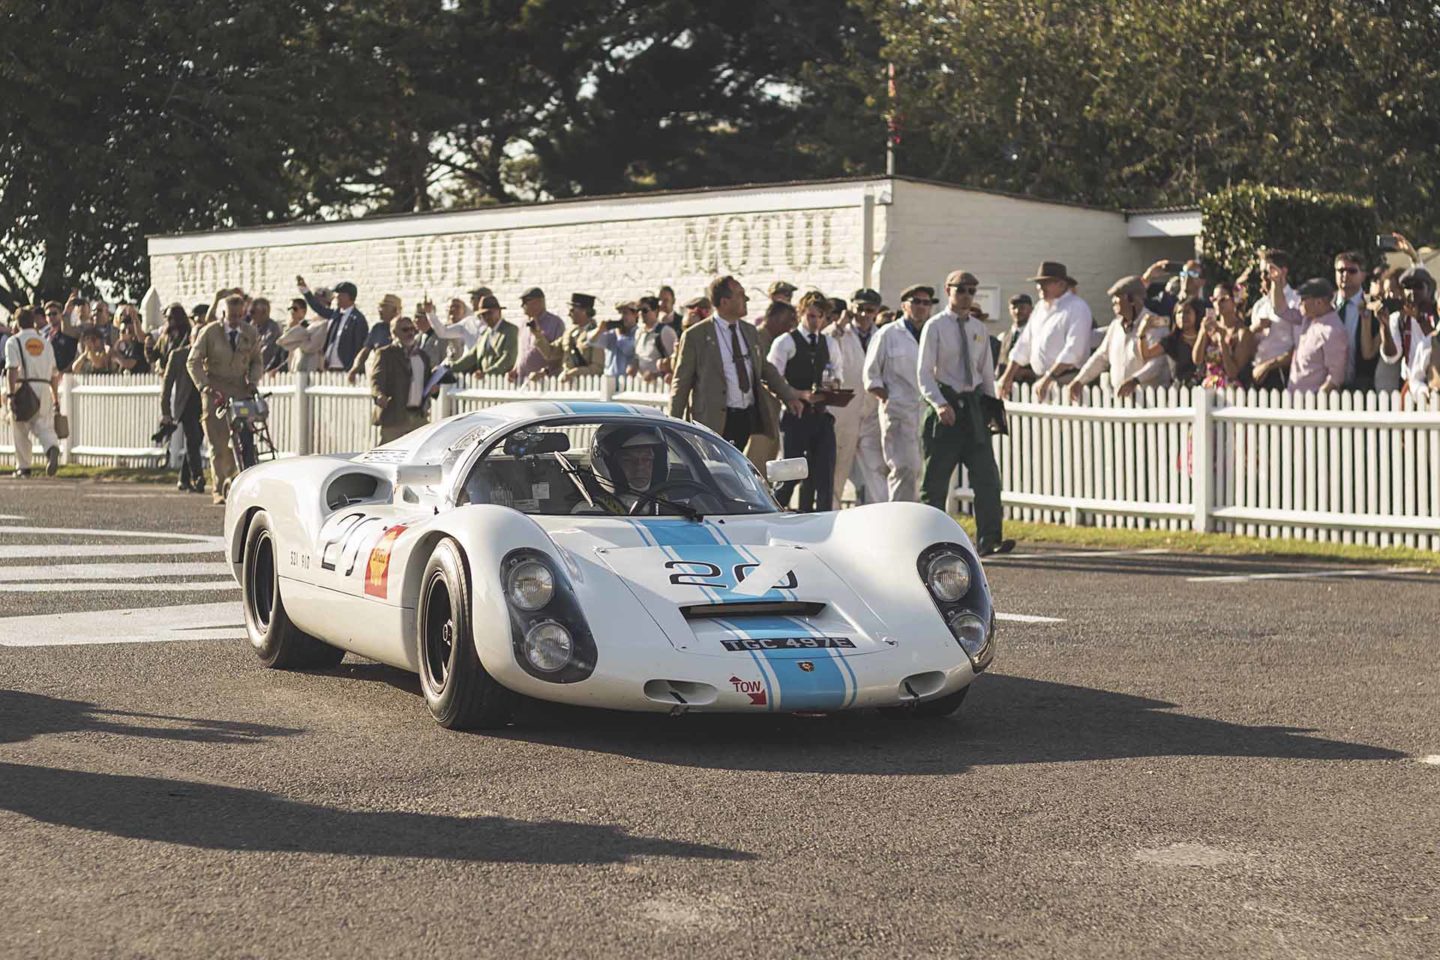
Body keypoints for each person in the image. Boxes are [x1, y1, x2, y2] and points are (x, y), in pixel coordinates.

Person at [917, 271, 1011, 554]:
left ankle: (989, 539)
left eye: (972, 291)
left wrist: (992, 409)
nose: (967, 296)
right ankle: (928, 542)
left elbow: (985, 374)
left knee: (987, 478)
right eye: (961, 290)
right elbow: (923, 374)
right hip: (945, 405)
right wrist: (939, 403)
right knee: (935, 482)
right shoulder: (935, 326)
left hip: (973, 409)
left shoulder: (978, 329)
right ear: (948, 290)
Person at [668, 275, 802, 450]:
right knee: (714, 472)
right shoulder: (696, 336)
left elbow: (765, 368)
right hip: (712, 421)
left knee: (734, 473)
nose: (746, 299)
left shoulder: (749, 331)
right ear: (724, 302)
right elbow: (681, 382)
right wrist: (673, 425)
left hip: (745, 418)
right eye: (740, 295)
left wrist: (788, 395)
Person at [767, 294, 842, 512]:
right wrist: (796, 395)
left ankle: (823, 520)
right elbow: (772, 378)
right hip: (795, 416)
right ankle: (774, 512)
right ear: (801, 314)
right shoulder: (785, 342)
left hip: (821, 414)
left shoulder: (829, 343)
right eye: (810, 315)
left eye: (820, 316)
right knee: (789, 475)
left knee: (824, 476)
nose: (815, 321)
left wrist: (833, 387)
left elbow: (838, 374)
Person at [186, 292, 263, 503]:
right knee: (218, 444)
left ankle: (243, 483)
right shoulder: (210, 332)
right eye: (232, 315)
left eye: (240, 315)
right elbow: (193, 361)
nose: (236, 319)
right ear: (223, 313)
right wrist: (204, 386)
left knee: (245, 440)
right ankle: (219, 489)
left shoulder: (250, 332)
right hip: (215, 393)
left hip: (241, 391)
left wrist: (253, 382)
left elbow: (257, 361)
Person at [863, 284, 928, 501]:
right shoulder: (887, 334)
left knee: (924, 470)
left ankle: (923, 524)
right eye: (916, 302)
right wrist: (888, 399)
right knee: (903, 468)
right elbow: (871, 376)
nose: (921, 307)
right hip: (898, 411)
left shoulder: (931, 333)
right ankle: (899, 520)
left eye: (926, 302)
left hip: (927, 411)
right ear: (904, 305)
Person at [999, 261, 1094, 401]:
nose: (1040, 287)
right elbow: (1024, 345)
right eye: (1038, 283)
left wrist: (1049, 377)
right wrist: (1007, 376)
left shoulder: (1077, 307)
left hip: (1067, 382)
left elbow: (1074, 351)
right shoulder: (1039, 308)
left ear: (1061, 284)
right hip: (1042, 382)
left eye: (1046, 283)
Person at [824, 290, 886, 505]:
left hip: (872, 412)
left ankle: (881, 516)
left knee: (877, 470)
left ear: (877, 311)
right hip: (843, 411)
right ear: (850, 308)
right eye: (859, 309)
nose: (863, 314)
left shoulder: (883, 335)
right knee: (837, 468)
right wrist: (839, 326)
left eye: (869, 310)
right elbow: (825, 345)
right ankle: (831, 514)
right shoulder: (837, 333)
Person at [1069, 276, 1170, 400]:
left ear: (1132, 299)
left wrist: (1135, 380)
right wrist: (1080, 380)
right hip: (1121, 399)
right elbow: (1101, 357)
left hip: (1148, 398)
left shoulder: (1155, 324)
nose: (1113, 302)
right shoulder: (1115, 326)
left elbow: (1158, 363)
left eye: (1118, 297)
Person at [743, 295, 801, 473]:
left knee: (767, 468)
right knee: (755, 466)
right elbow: (763, 374)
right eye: (787, 321)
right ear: (774, 318)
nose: (791, 327)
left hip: (773, 415)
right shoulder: (756, 340)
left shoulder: (775, 342)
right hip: (760, 415)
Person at [4, 306, 62, 478]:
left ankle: (24, 466)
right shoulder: (45, 343)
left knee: (20, 427)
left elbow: (12, 369)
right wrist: (55, 396)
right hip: (43, 387)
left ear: (17, 322)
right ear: (34, 321)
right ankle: (51, 448)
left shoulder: (13, 342)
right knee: (44, 425)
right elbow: (54, 374)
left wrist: (10, 394)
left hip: (24, 386)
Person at [575, 423, 671, 514]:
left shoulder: (672, 506)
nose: (640, 467)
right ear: (611, 466)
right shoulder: (589, 512)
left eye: (647, 459)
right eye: (628, 460)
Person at [159, 308, 204, 493]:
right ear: (191, 338)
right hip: (186, 404)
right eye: (197, 337)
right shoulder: (178, 355)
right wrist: (166, 412)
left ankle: (183, 478)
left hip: (203, 403)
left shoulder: (209, 356)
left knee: (197, 439)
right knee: (193, 438)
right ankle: (198, 476)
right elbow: (167, 386)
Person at [369, 315, 434, 444]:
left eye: (412, 329)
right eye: (405, 330)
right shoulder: (385, 353)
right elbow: (376, 378)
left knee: (417, 456)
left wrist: (434, 388)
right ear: (394, 333)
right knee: (388, 455)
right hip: (395, 415)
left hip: (418, 417)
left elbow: (427, 382)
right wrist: (379, 395)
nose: (410, 333)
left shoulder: (422, 356)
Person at [1279, 278, 1348, 394]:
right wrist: (1276, 281)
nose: (1299, 302)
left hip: (1312, 405)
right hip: (1294, 400)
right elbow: (1281, 311)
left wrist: (1316, 402)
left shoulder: (1332, 331)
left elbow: (1336, 377)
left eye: (1303, 299)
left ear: (1319, 302)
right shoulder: (1308, 319)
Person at [1379, 265, 1436, 398]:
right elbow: (1392, 356)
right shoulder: (1399, 318)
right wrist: (1385, 326)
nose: (1413, 291)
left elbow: (1435, 340)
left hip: (1434, 381)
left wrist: (1419, 318)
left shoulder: (1436, 313)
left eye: (1418, 286)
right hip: (1411, 385)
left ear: (1428, 289)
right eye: (1407, 287)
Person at [1249, 250, 1298, 390]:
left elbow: (1299, 347)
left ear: (1283, 271)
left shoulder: (1296, 302)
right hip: (1257, 373)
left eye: (1268, 272)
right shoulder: (1259, 305)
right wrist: (1253, 330)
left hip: (1283, 373)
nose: (1264, 277)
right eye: (1262, 273)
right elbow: (1252, 346)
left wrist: (1268, 366)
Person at [297, 277, 367, 372]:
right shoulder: (335, 314)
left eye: (340, 295)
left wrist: (355, 368)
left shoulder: (358, 319)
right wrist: (305, 290)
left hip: (346, 368)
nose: (337, 297)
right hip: (330, 367)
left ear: (348, 296)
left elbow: (359, 346)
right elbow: (318, 308)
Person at [1194, 282, 1255, 388]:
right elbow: (1197, 359)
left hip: (1231, 389)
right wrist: (1202, 332)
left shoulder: (1242, 333)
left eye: (1223, 300)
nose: (1218, 303)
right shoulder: (1211, 327)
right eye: (1214, 299)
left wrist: (1222, 342)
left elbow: (1233, 372)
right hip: (1209, 386)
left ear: (1234, 301)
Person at [536, 294, 603, 383]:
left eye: (572, 310)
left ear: (584, 311)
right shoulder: (569, 333)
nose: (569, 314)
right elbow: (550, 353)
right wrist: (538, 335)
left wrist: (575, 372)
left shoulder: (596, 334)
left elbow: (597, 368)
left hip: (586, 386)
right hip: (567, 385)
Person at [449, 295, 518, 377]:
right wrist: (449, 367)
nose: (486, 317)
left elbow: (508, 359)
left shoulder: (510, 330)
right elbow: (472, 356)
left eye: (489, 313)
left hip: (503, 383)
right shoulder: (485, 333)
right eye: (483, 315)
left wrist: (488, 373)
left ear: (499, 312)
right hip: (485, 382)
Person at [1332, 251, 1372, 389]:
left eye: (1352, 271)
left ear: (1363, 275)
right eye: (1341, 270)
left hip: (1361, 388)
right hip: (1327, 387)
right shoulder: (1325, 305)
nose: (1345, 275)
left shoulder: (1371, 306)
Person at [510, 287, 565, 382]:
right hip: (523, 380)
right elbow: (521, 352)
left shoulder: (555, 323)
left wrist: (545, 372)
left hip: (544, 382)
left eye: (525, 302)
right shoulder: (523, 324)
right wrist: (515, 368)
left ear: (539, 302)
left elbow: (560, 355)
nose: (522, 305)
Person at [1150, 297, 1205, 386]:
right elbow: (1146, 354)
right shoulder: (1171, 341)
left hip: (1206, 391)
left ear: (1197, 314)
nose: (1182, 316)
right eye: (1179, 312)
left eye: (1187, 312)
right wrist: (1142, 333)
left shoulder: (1207, 338)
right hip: (1179, 392)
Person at [346, 293, 399, 382]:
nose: (380, 310)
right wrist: (355, 368)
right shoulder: (377, 329)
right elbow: (365, 351)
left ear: (394, 310)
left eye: (384, 307)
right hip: (380, 374)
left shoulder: (404, 327)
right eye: (380, 307)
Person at [585, 301, 640, 385]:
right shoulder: (613, 333)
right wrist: (599, 330)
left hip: (628, 383)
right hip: (609, 381)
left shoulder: (638, 333)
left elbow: (627, 349)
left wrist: (619, 334)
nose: (622, 317)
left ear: (635, 314)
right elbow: (591, 341)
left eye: (625, 313)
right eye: (620, 313)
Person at [634, 295, 678, 381]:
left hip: (659, 384)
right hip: (640, 384)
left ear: (656, 311)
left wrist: (656, 374)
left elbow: (675, 360)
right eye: (638, 310)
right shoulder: (638, 332)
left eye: (644, 310)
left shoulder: (665, 331)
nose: (640, 314)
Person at [996, 293, 1033, 377]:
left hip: (1027, 386)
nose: (1017, 311)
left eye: (1022, 308)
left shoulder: (1036, 336)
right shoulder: (1002, 337)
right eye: (1014, 308)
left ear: (1031, 310)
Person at [40, 301, 78, 373]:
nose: (51, 316)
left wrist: (65, 371)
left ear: (61, 314)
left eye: (54, 314)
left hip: (65, 375)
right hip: (47, 374)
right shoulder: (43, 335)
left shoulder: (68, 332)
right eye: (48, 314)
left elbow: (75, 354)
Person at [112, 306, 151, 375]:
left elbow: (129, 364)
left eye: (129, 331)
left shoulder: (139, 344)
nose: (126, 333)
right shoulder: (126, 347)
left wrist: (115, 355)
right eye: (123, 331)